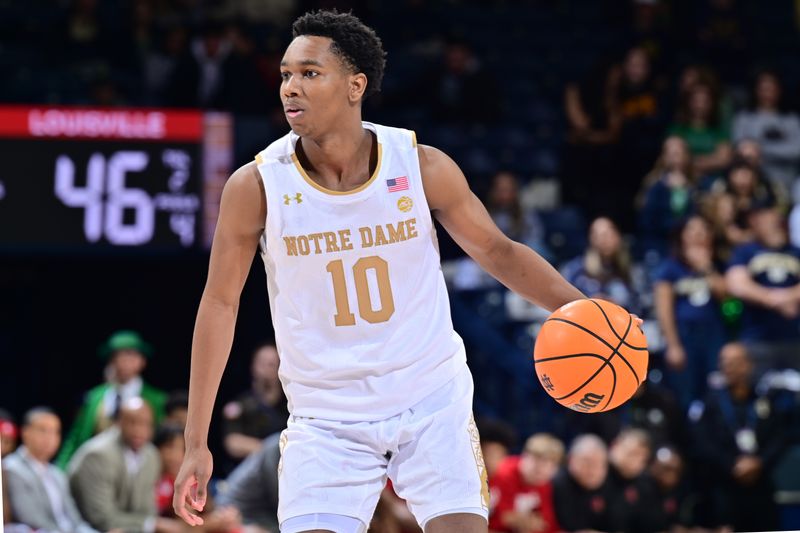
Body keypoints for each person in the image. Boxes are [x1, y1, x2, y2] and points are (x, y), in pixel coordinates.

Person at [172, 10, 591, 533]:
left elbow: (499, 252)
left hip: (429, 398)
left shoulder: (420, 164)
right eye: (285, 75)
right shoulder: (254, 186)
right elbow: (219, 303)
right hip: (325, 415)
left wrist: (587, 310)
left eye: (309, 73)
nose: (290, 88)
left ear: (356, 85)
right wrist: (196, 440)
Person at [690, 342, 789, 531]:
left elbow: (780, 436)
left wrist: (759, 462)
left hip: (760, 487)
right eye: (723, 362)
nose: (727, 367)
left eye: (734, 362)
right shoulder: (709, 403)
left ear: (748, 364)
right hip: (723, 488)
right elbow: (701, 442)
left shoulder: (764, 399)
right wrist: (731, 465)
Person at [68, 398, 183, 533]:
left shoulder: (151, 455)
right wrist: (152, 525)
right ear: (119, 422)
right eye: (132, 422)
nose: (139, 430)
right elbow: (102, 519)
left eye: (146, 424)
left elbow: (147, 510)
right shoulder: (97, 455)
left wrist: (151, 523)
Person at [57, 330, 168, 468]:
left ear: (142, 361)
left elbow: (163, 442)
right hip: (95, 467)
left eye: (131, 355)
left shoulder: (157, 400)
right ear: (111, 361)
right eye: (118, 356)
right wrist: (62, 470)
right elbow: (76, 437)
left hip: (138, 470)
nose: (124, 362)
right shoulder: (94, 397)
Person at [654, 215, 727, 407]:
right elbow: (664, 309)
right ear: (682, 236)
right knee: (685, 394)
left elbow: (726, 297)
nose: (698, 234)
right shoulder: (670, 268)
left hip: (713, 334)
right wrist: (673, 345)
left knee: (715, 389)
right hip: (684, 334)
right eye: (692, 229)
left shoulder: (717, 265)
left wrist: (706, 267)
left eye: (703, 229)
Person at [726, 203, 800, 376]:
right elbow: (736, 284)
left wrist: (786, 297)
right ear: (755, 223)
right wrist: (773, 299)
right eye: (765, 218)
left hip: (793, 338)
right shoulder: (745, 252)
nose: (772, 222)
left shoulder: (795, 252)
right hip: (756, 339)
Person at [3, 408, 98, 533]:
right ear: (25, 432)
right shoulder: (11, 469)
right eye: (43, 430)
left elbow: (76, 520)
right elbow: (32, 519)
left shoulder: (57, 473)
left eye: (55, 432)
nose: (50, 438)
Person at [733, 70, 800, 193]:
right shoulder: (745, 118)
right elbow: (741, 149)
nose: (767, 93)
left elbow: (796, 150)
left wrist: (760, 149)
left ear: (779, 90)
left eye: (771, 89)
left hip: (788, 179)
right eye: (763, 89)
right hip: (752, 182)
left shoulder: (791, 120)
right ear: (756, 90)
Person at [222, 343, 288, 462]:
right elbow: (232, 442)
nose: (267, 368)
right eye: (263, 363)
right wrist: (268, 449)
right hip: (252, 467)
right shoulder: (240, 404)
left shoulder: (290, 404)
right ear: (253, 366)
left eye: (272, 364)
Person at [488, 433, 564, 533]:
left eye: (549, 464)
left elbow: (547, 522)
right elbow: (499, 518)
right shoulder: (502, 473)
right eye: (536, 460)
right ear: (524, 456)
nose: (541, 468)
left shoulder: (544, 484)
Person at [561, 217, 638, 313]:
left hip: (621, 321)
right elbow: (565, 303)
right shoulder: (576, 269)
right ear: (592, 239)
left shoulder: (628, 270)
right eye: (600, 235)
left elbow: (638, 304)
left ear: (617, 237)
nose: (605, 240)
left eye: (608, 234)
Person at [551, 434, 624, 533]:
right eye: (586, 461)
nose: (592, 469)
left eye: (599, 463)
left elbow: (617, 525)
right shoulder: (555, 485)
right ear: (571, 459)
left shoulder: (612, 484)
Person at [669, 81, 732, 179]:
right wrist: (710, 159)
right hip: (679, 179)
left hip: (713, 181)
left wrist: (690, 162)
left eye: (705, 101)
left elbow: (724, 159)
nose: (700, 105)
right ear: (689, 103)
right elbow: (670, 157)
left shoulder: (719, 132)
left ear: (712, 104)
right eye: (696, 101)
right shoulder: (678, 130)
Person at [606, 428, 653, 533]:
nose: (636, 462)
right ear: (615, 446)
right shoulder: (597, 472)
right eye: (632, 453)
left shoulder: (645, 484)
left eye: (642, 458)